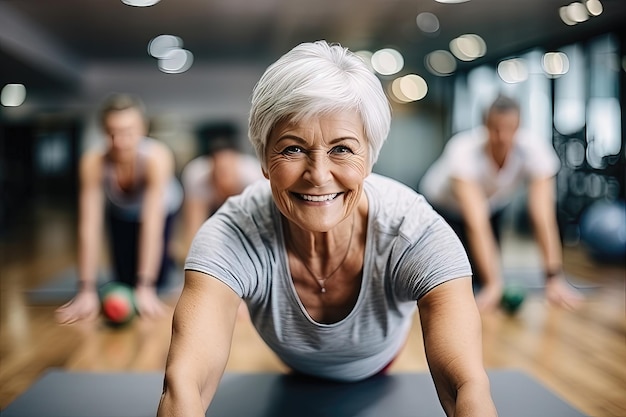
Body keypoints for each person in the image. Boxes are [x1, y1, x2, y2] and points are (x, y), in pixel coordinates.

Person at [157, 41, 497, 417]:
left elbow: (466, 384)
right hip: (292, 367)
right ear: (263, 160)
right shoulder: (232, 234)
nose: (318, 175)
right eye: (292, 149)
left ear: (370, 159)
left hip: (376, 365)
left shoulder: (415, 232)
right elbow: (184, 384)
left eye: (343, 149)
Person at [419, 95, 583, 313]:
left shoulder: (534, 150)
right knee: (457, 276)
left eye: (510, 129)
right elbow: (476, 221)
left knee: (484, 273)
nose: (502, 136)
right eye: (496, 129)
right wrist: (493, 284)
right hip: (442, 208)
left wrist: (553, 278)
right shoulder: (463, 150)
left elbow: (542, 214)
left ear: (519, 126)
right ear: (485, 126)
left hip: (491, 206)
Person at [55, 93, 183, 324]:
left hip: (162, 210)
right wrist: (86, 288)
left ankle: (167, 259)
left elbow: (151, 225)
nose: (120, 141)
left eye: (128, 132)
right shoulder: (93, 161)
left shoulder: (157, 157)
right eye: (112, 133)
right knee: (122, 279)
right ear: (103, 132)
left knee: (157, 279)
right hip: (122, 211)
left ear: (142, 129)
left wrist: (146, 286)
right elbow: (89, 226)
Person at [180, 121, 264, 255]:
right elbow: (193, 226)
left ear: (236, 163)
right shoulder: (196, 175)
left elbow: (259, 227)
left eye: (227, 171)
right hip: (211, 209)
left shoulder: (253, 176)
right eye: (219, 171)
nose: (223, 177)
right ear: (211, 165)